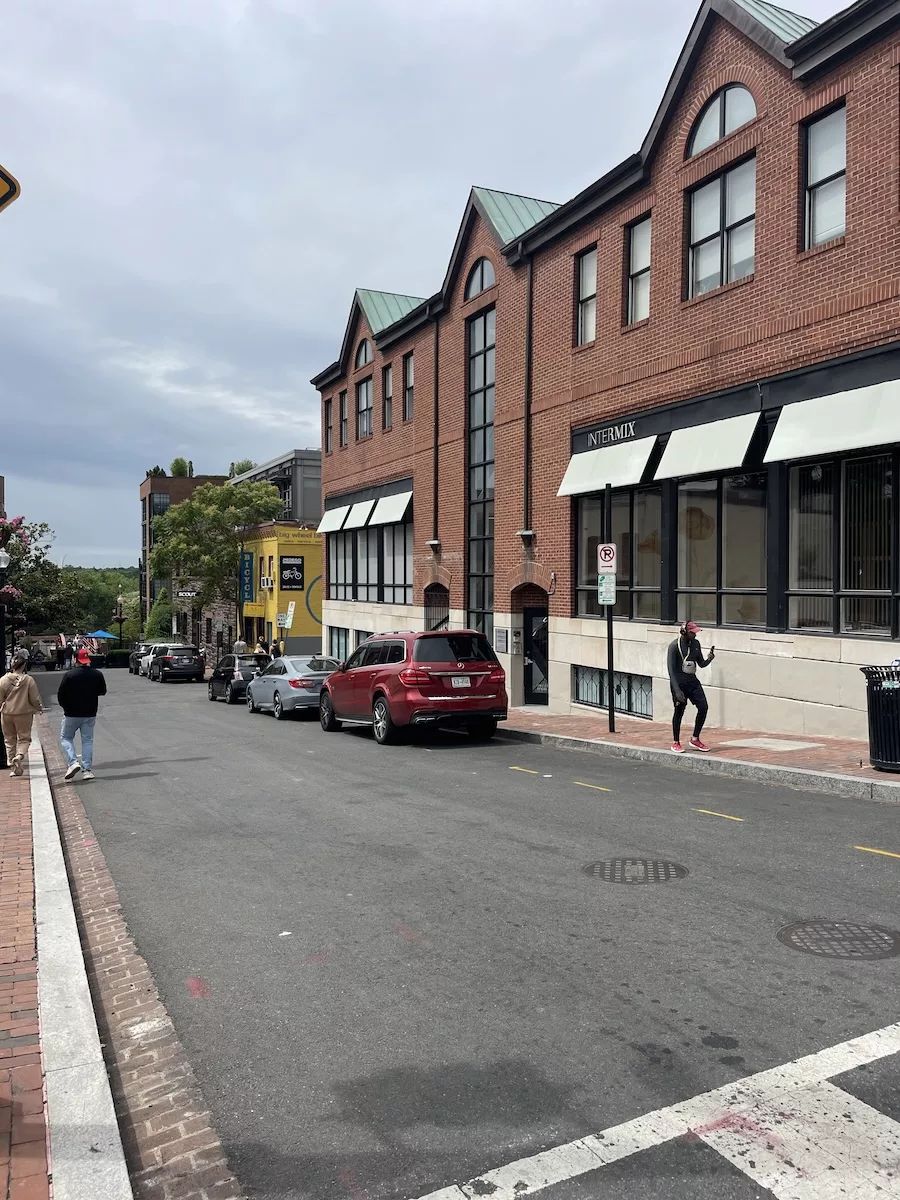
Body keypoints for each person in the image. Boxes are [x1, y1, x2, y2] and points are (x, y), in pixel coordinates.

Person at [57, 648, 107, 781]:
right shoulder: (97, 674)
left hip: (71, 713)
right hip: (90, 712)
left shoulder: (69, 675)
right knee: (87, 741)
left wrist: (65, 707)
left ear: (75, 659)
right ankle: (87, 770)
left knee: (66, 738)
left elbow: (61, 695)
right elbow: (102, 691)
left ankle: (73, 762)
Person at [667, 620, 715, 754]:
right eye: (692, 633)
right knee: (679, 711)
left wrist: (709, 659)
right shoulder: (674, 647)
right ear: (684, 632)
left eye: (696, 632)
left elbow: (701, 663)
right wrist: (677, 690)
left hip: (693, 682)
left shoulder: (695, 644)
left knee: (703, 707)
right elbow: (671, 670)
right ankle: (675, 742)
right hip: (679, 683)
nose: (695, 635)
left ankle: (695, 738)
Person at [0, 651, 44, 777]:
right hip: (24, 713)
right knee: (24, 738)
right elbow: (34, 698)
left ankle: (13, 766)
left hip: (6, 713)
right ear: (24, 666)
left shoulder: (3, 680)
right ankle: (19, 756)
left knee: (9, 739)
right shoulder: (29, 680)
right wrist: (39, 708)